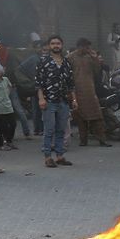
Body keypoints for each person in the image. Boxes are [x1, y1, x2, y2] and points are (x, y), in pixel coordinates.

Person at [36, 35, 76, 168]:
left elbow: (70, 83)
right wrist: (41, 99)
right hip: (49, 101)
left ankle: (59, 156)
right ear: (49, 46)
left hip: (63, 101)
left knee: (61, 130)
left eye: (58, 43)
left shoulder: (66, 62)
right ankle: (48, 157)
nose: (56, 46)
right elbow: (38, 82)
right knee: (49, 130)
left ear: (62, 45)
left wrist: (74, 99)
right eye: (53, 43)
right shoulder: (43, 61)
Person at [68, 38, 110, 147]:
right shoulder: (70, 57)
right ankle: (83, 140)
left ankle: (102, 139)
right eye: (86, 47)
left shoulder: (90, 57)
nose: (88, 49)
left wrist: (95, 59)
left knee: (97, 115)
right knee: (80, 117)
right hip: (77, 91)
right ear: (80, 46)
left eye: (88, 47)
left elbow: (97, 71)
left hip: (90, 91)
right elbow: (66, 75)